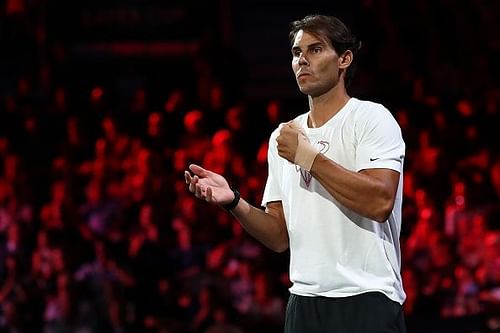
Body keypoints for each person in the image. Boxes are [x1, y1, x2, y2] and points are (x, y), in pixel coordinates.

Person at [185, 14, 406, 333]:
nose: (302, 59)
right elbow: (278, 237)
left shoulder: (371, 119)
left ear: (344, 59)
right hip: (304, 303)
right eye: (296, 52)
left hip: (368, 297)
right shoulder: (283, 137)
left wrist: (307, 156)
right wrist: (233, 201)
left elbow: (380, 202)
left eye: (315, 50)